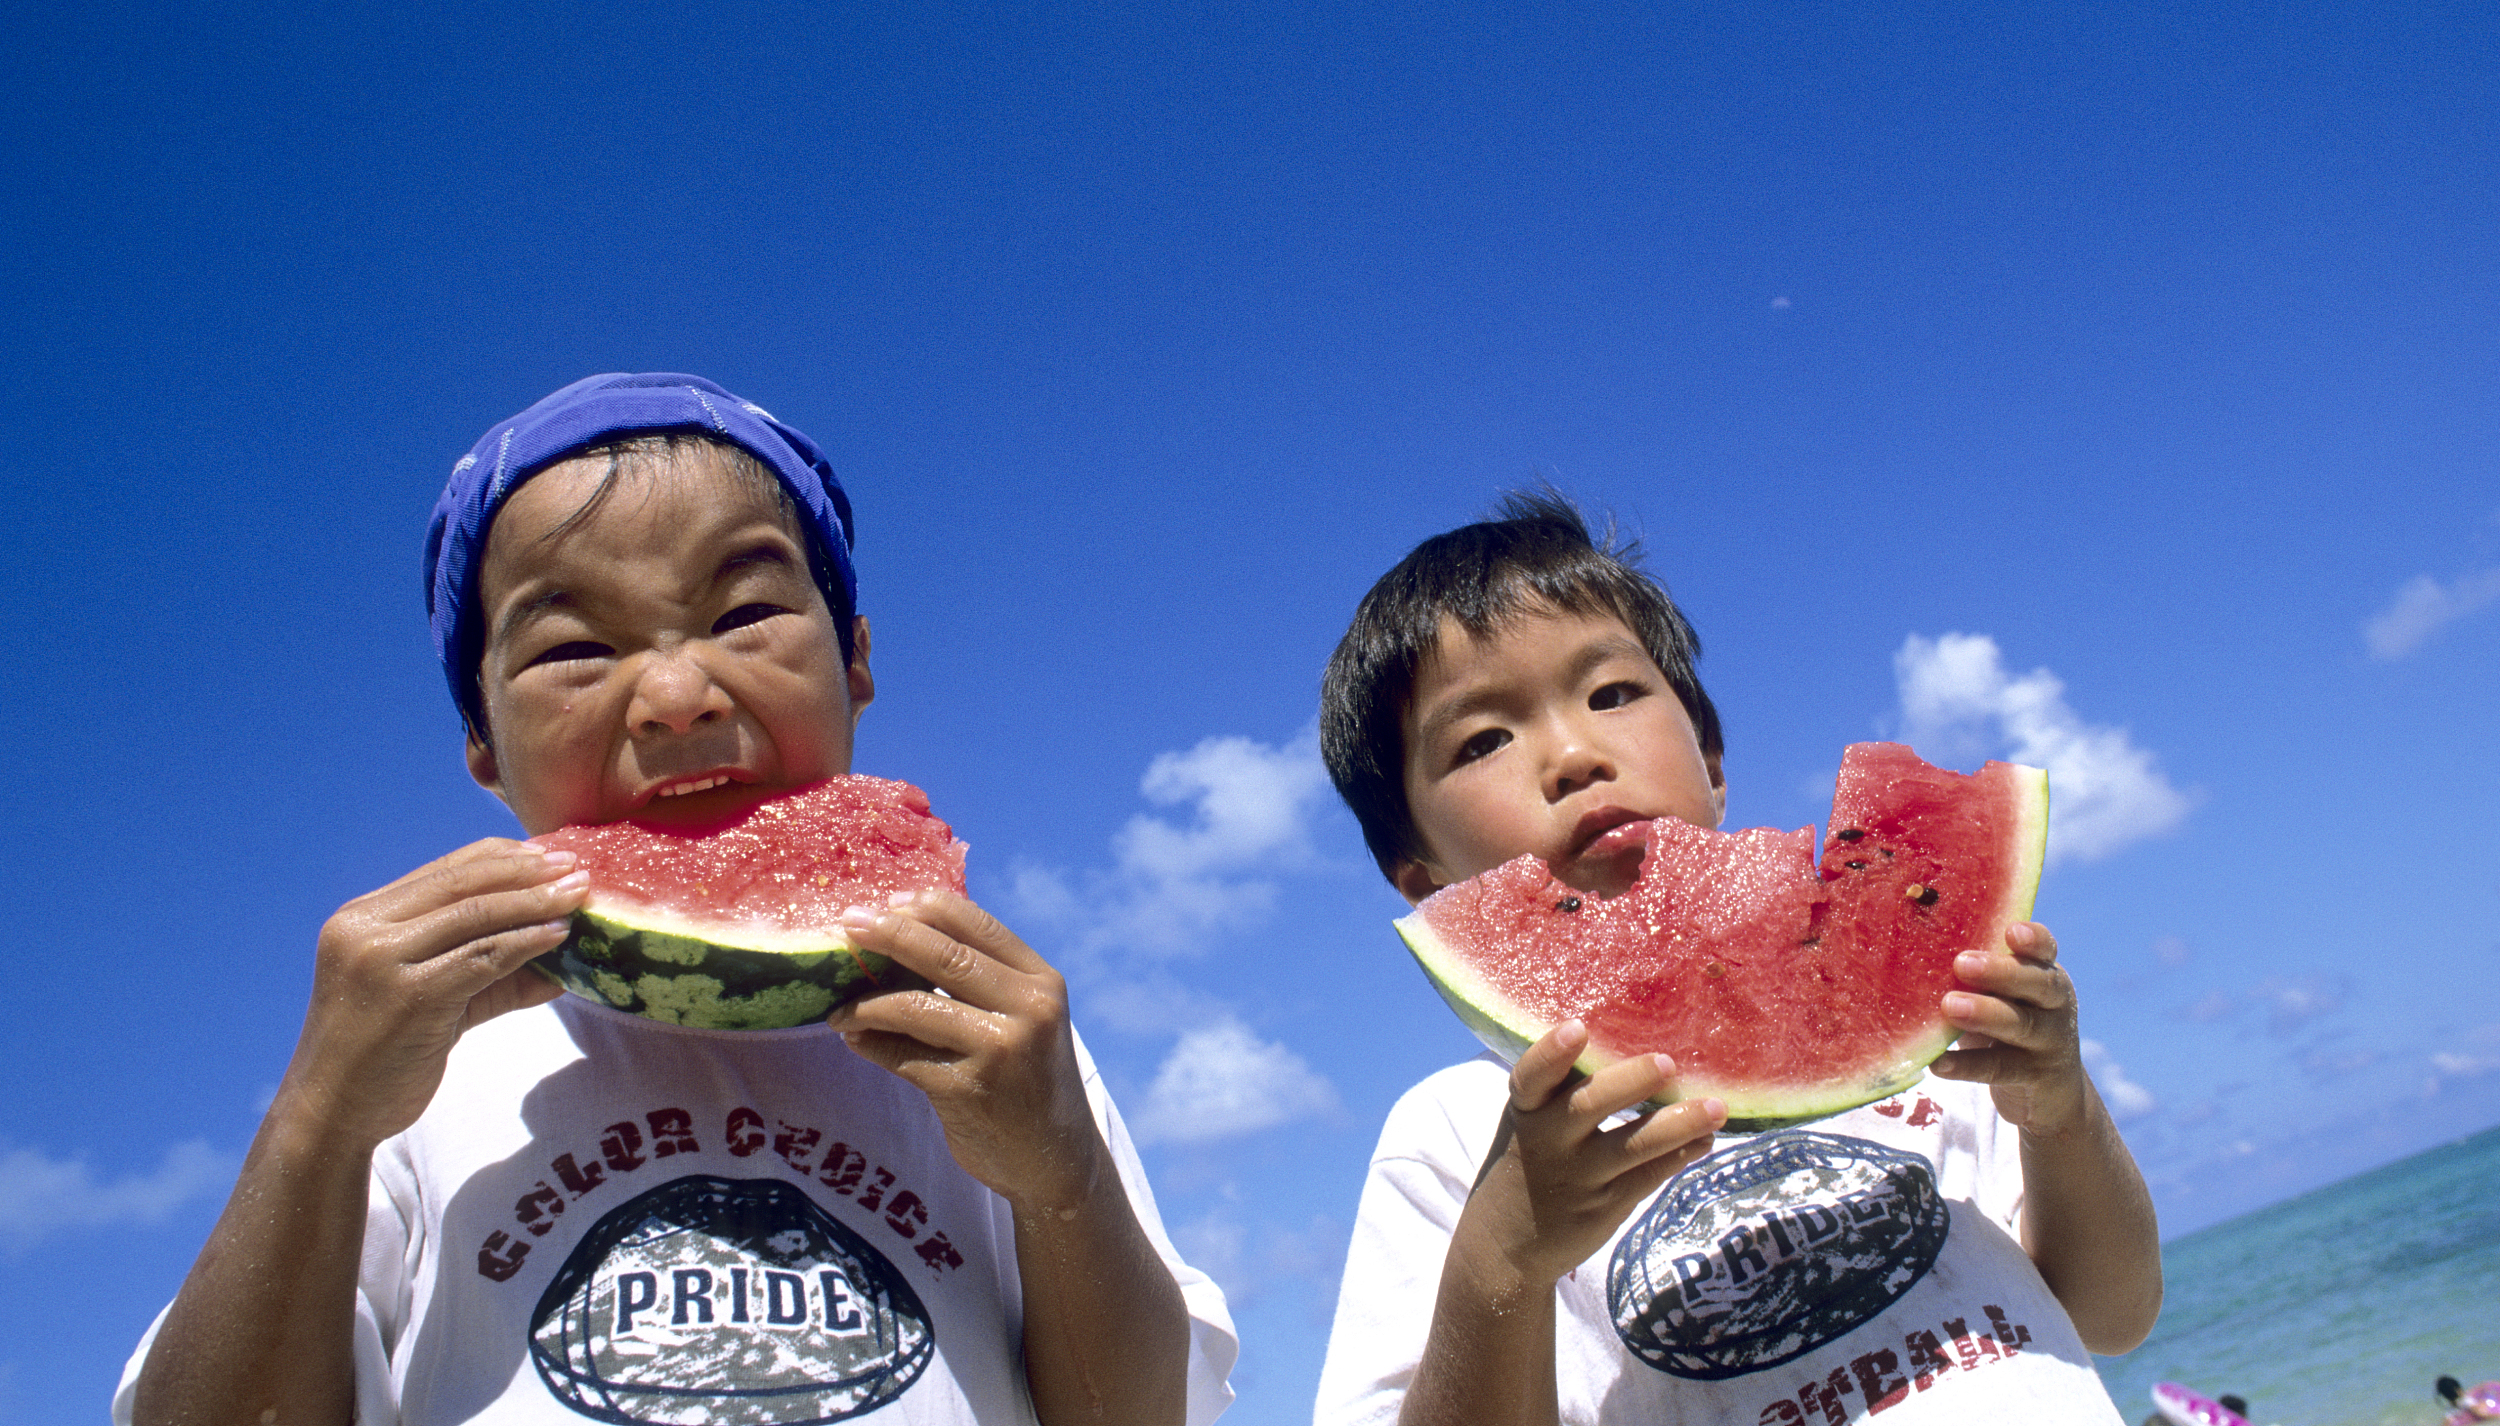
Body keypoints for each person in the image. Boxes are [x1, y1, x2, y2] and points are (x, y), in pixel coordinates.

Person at [115, 373, 1236, 1426]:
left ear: (852, 661)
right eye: (574, 647)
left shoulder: (988, 1038)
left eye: (743, 612)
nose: (674, 695)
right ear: (483, 752)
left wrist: (1059, 1174)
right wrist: (319, 1122)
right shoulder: (418, 1071)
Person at [1310, 494, 2162, 1425]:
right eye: (1483, 741)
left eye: (1613, 693)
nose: (1573, 753)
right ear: (1425, 883)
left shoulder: (1940, 1034)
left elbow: (2112, 1314)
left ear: (1713, 760)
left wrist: (2059, 1113)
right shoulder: (1459, 1135)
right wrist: (1503, 1255)